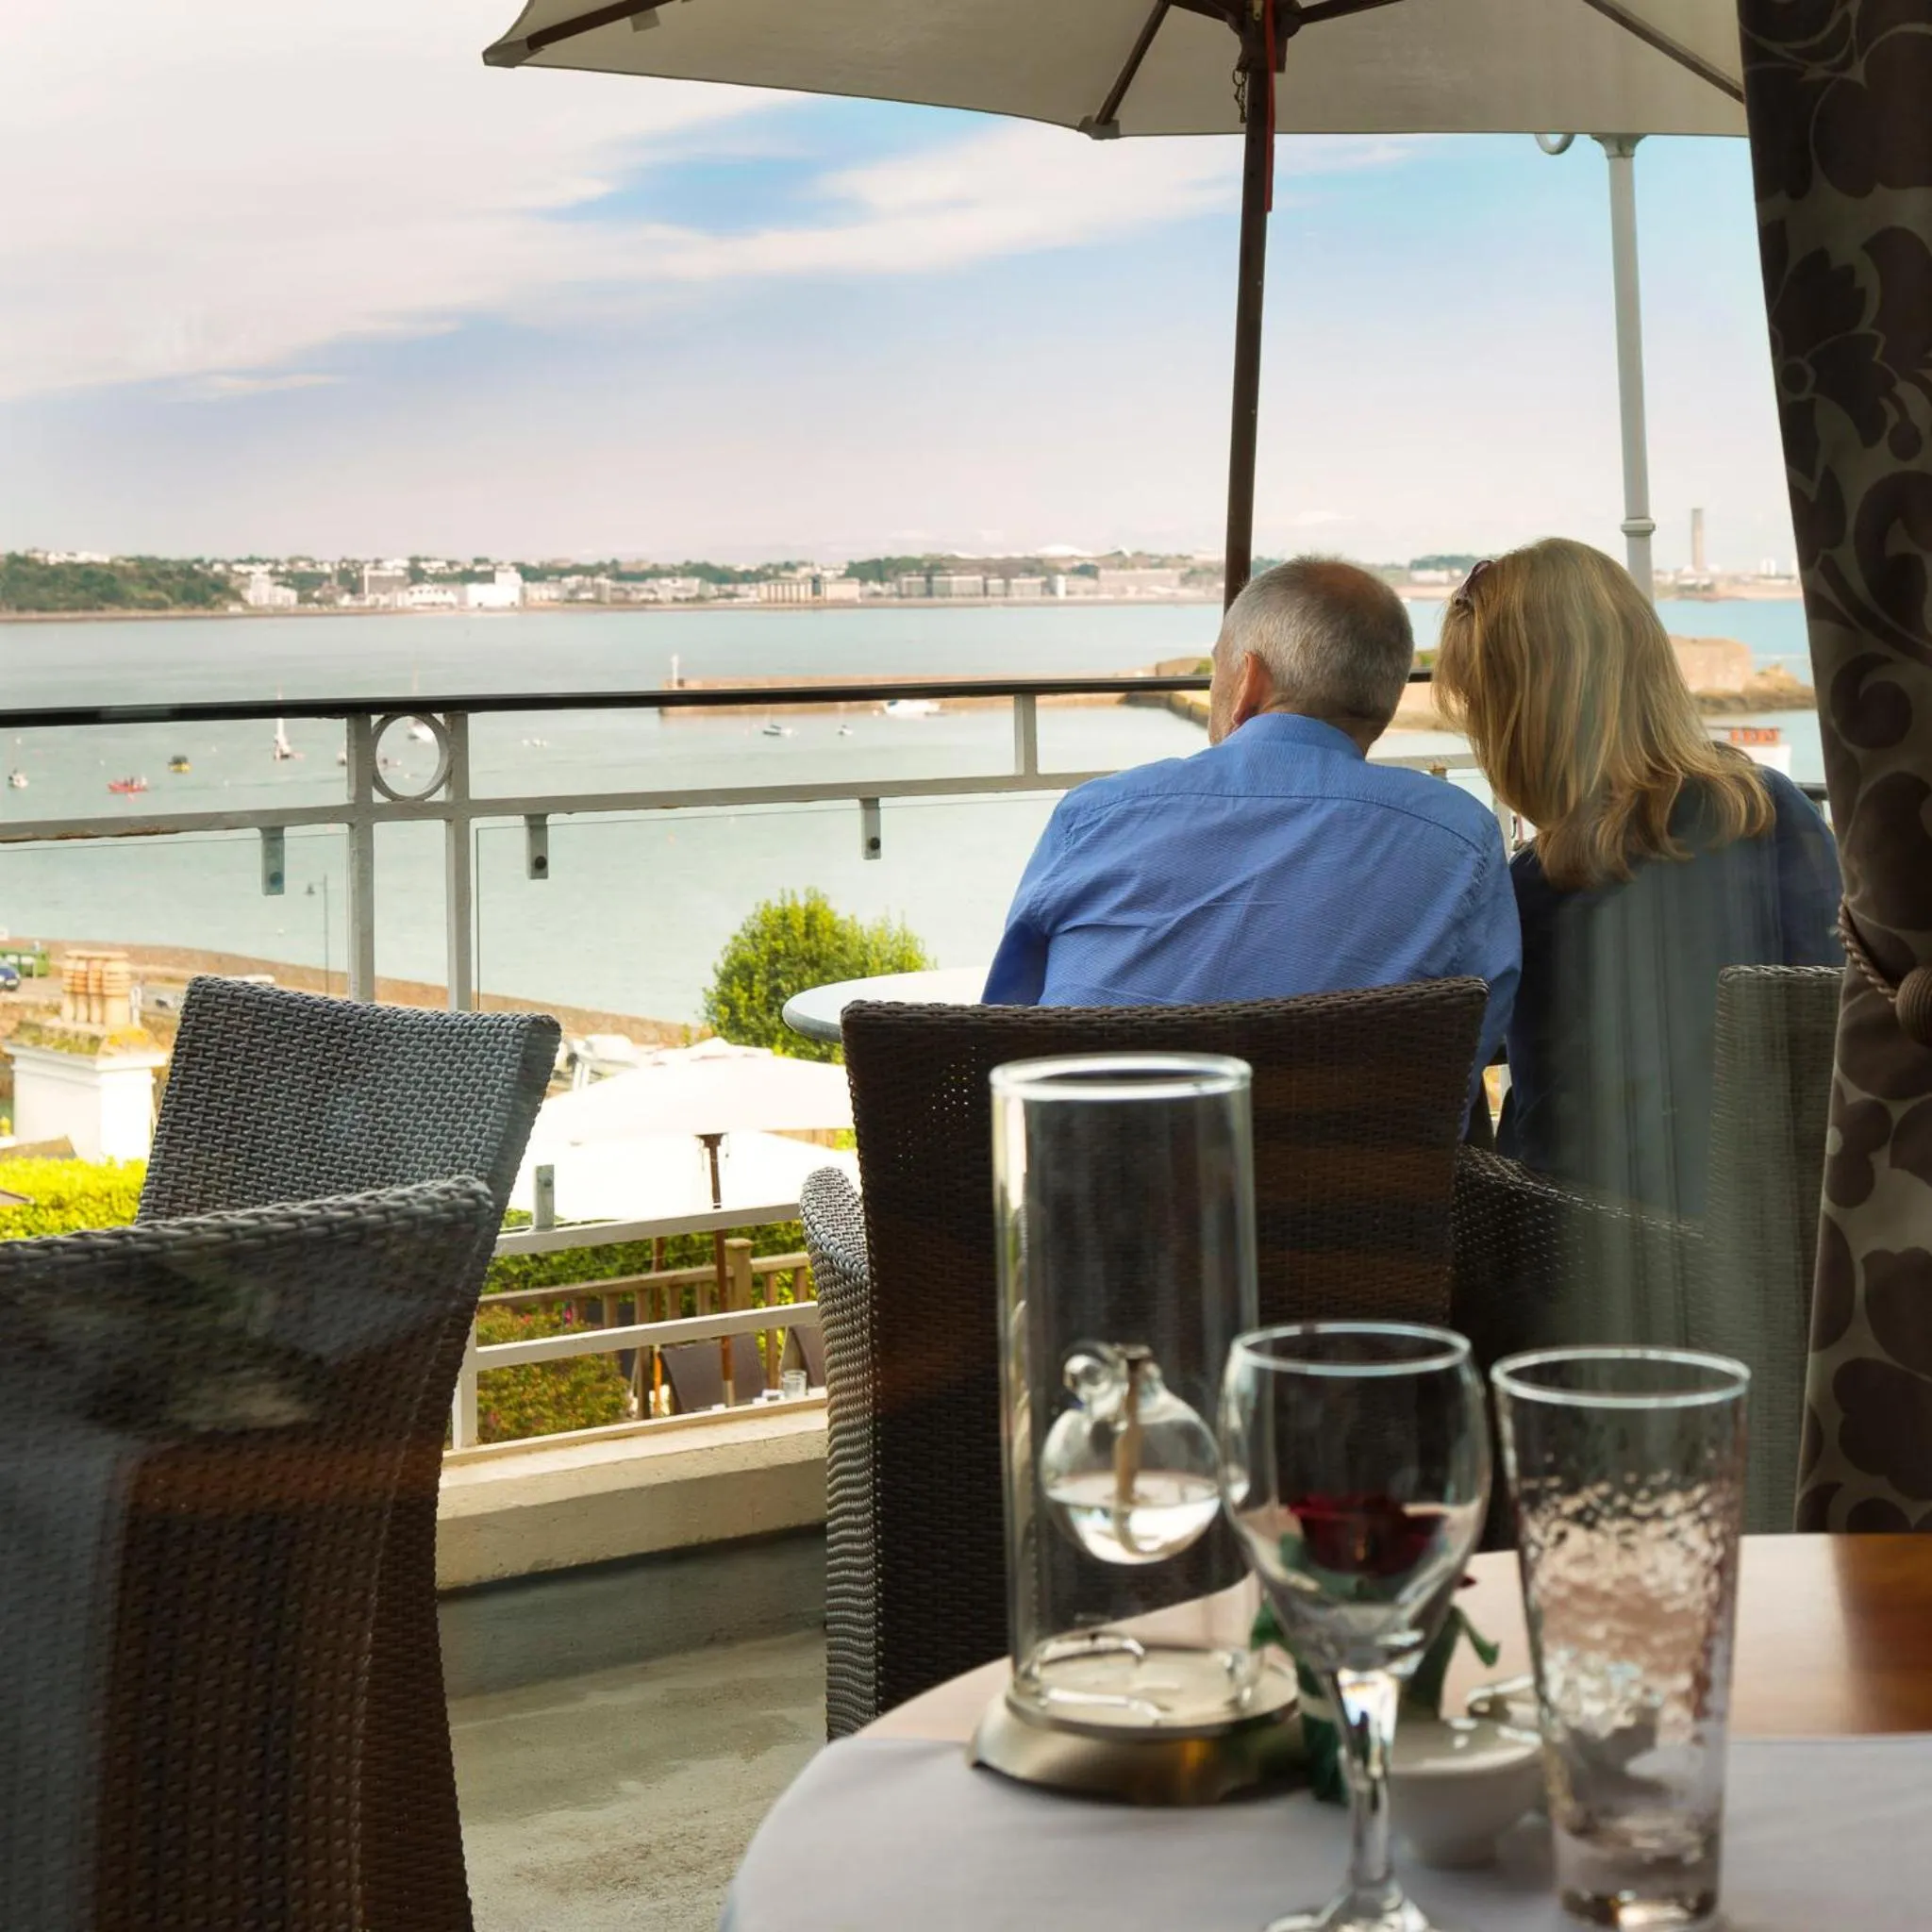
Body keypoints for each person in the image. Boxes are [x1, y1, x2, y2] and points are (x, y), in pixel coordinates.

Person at [983, 558, 1520, 1083]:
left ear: (1248, 681)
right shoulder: (1459, 837)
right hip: (1354, 1168)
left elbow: (1005, 1040)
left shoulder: (1096, 816)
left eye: (1219, 668)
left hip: (1103, 1161)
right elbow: (1464, 1056)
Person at [1433, 538, 1841, 1216]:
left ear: (1515, 722)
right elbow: (1834, 1015)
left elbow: (1471, 1074)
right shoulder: (1775, 812)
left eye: (1479, 706)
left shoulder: (1537, 888)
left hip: (1578, 1253)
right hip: (1784, 1230)